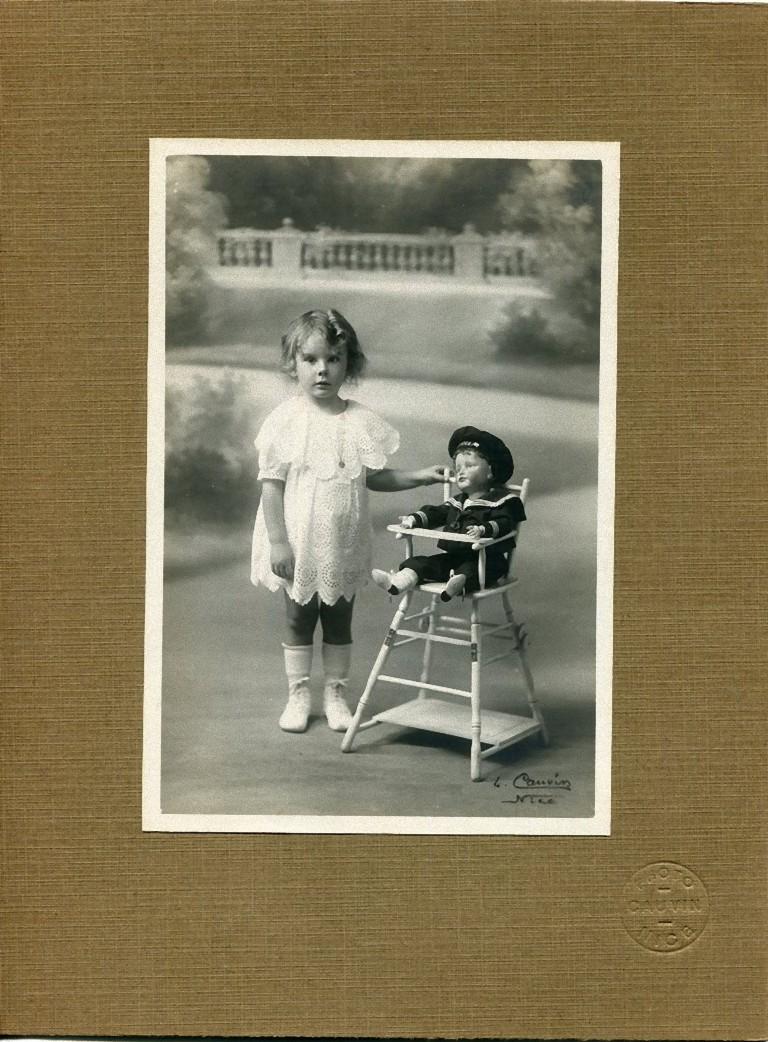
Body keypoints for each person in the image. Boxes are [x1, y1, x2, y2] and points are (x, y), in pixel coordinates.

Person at [250, 309, 444, 733]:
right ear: (293, 364)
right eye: (311, 360)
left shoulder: (359, 422)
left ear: (348, 364)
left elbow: (374, 476)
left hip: (343, 541)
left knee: (339, 618)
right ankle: (298, 692)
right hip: (299, 540)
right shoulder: (286, 420)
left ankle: (336, 693)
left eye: (333, 359)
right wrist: (279, 542)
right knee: (300, 617)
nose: (322, 370)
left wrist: (420, 477)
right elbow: (271, 485)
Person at [372, 426, 525, 602]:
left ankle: (458, 583)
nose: (461, 471)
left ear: (491, 471)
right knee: (424, 563)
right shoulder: (457, 502)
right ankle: (399, 581)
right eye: (458, 467)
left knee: (473, 570)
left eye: (469, 466)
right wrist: (413, 520)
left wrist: (484, 530)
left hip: (487, 560)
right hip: (453, 558)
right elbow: (437, 513)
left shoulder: (503, 501)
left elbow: (505, 523)